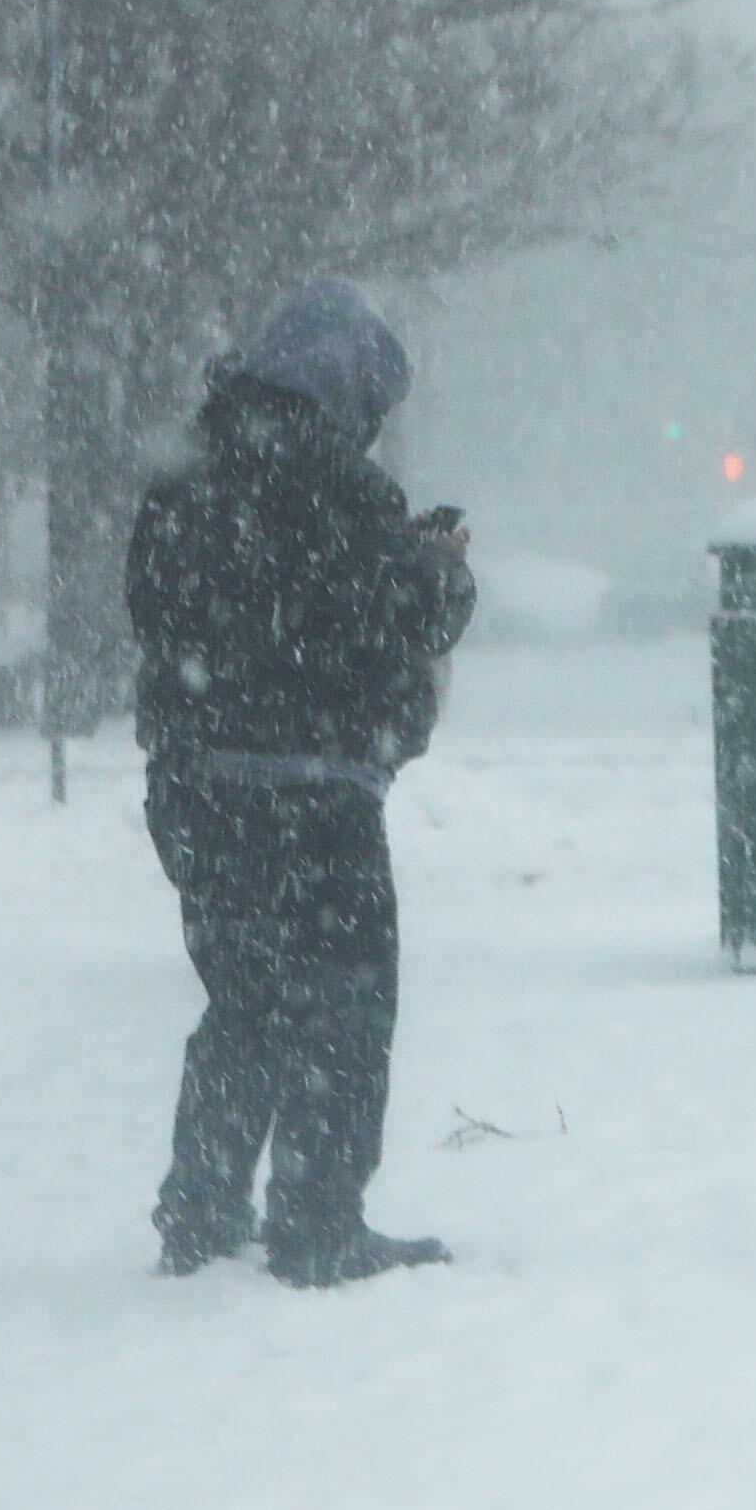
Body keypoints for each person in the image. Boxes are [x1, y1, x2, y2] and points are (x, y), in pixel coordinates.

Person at [125, 278, 476, 1288]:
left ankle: (199, 1209)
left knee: (243, 998)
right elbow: (395, 616)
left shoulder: (186, 472)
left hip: (196, 786)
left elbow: (158, 609)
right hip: (314, 792)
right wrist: (442, 569)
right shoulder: (339, 483)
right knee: (344, 1004)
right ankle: (320, 1221)